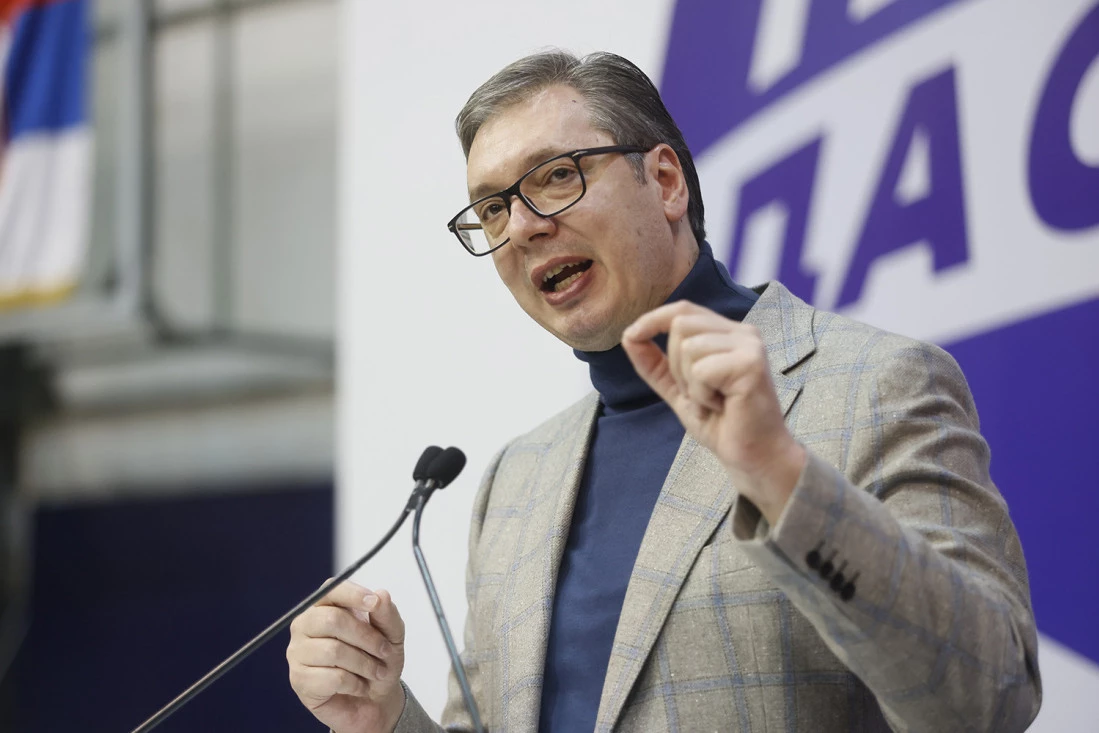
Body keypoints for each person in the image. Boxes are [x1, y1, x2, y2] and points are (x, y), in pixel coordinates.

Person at [286, 51, 1041, 733]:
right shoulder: (515, 479)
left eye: (556, 175)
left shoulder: (875, 384)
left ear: (667, 182)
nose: (520, 228)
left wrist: (780, 475)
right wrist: (382, 719)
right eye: (492, 208)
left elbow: (990, 698)